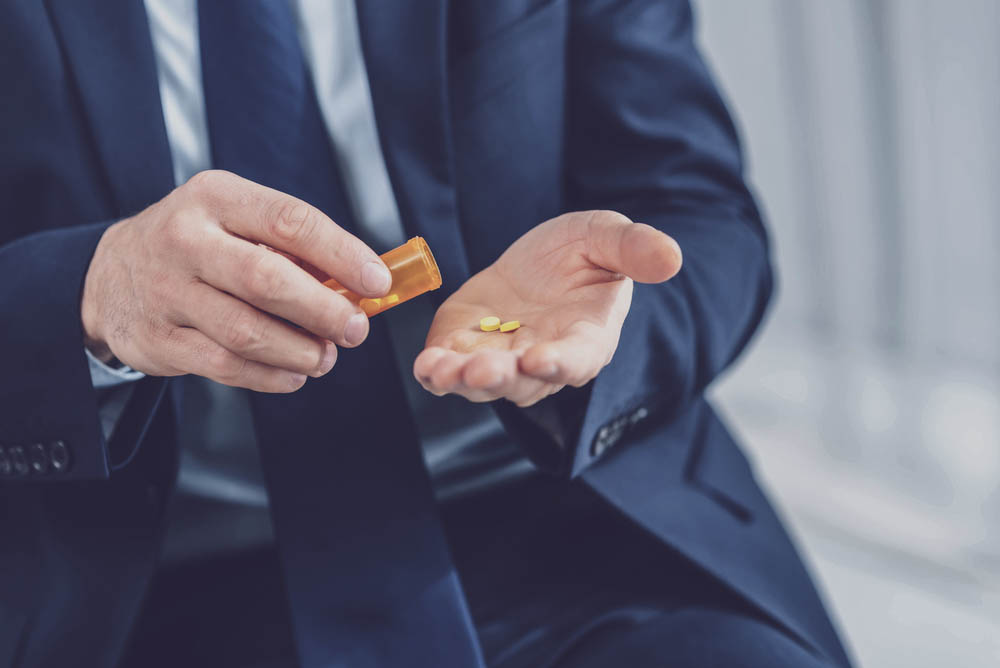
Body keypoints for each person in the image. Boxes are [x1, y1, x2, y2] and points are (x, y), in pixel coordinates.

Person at [0, 1, 852, 666]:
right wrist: (89, 296)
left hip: (575, 527)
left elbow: (705, 217)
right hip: (132, 591)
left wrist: (606, 327)